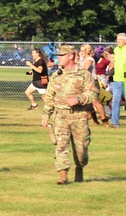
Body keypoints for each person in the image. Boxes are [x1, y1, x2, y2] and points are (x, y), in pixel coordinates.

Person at [42, 45, 99, 185]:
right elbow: (49, 96)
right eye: (58, 56)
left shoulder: (84, 74)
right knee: (61, 145)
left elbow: (93, 93)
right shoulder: (56, 75)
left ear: (71, 56)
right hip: (60, 116)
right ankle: (62, 175)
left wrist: (79, 99)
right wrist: (46, 115)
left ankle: (80, 167)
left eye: (61, 56)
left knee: (81, 150)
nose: (58, 58)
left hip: (79, 116)